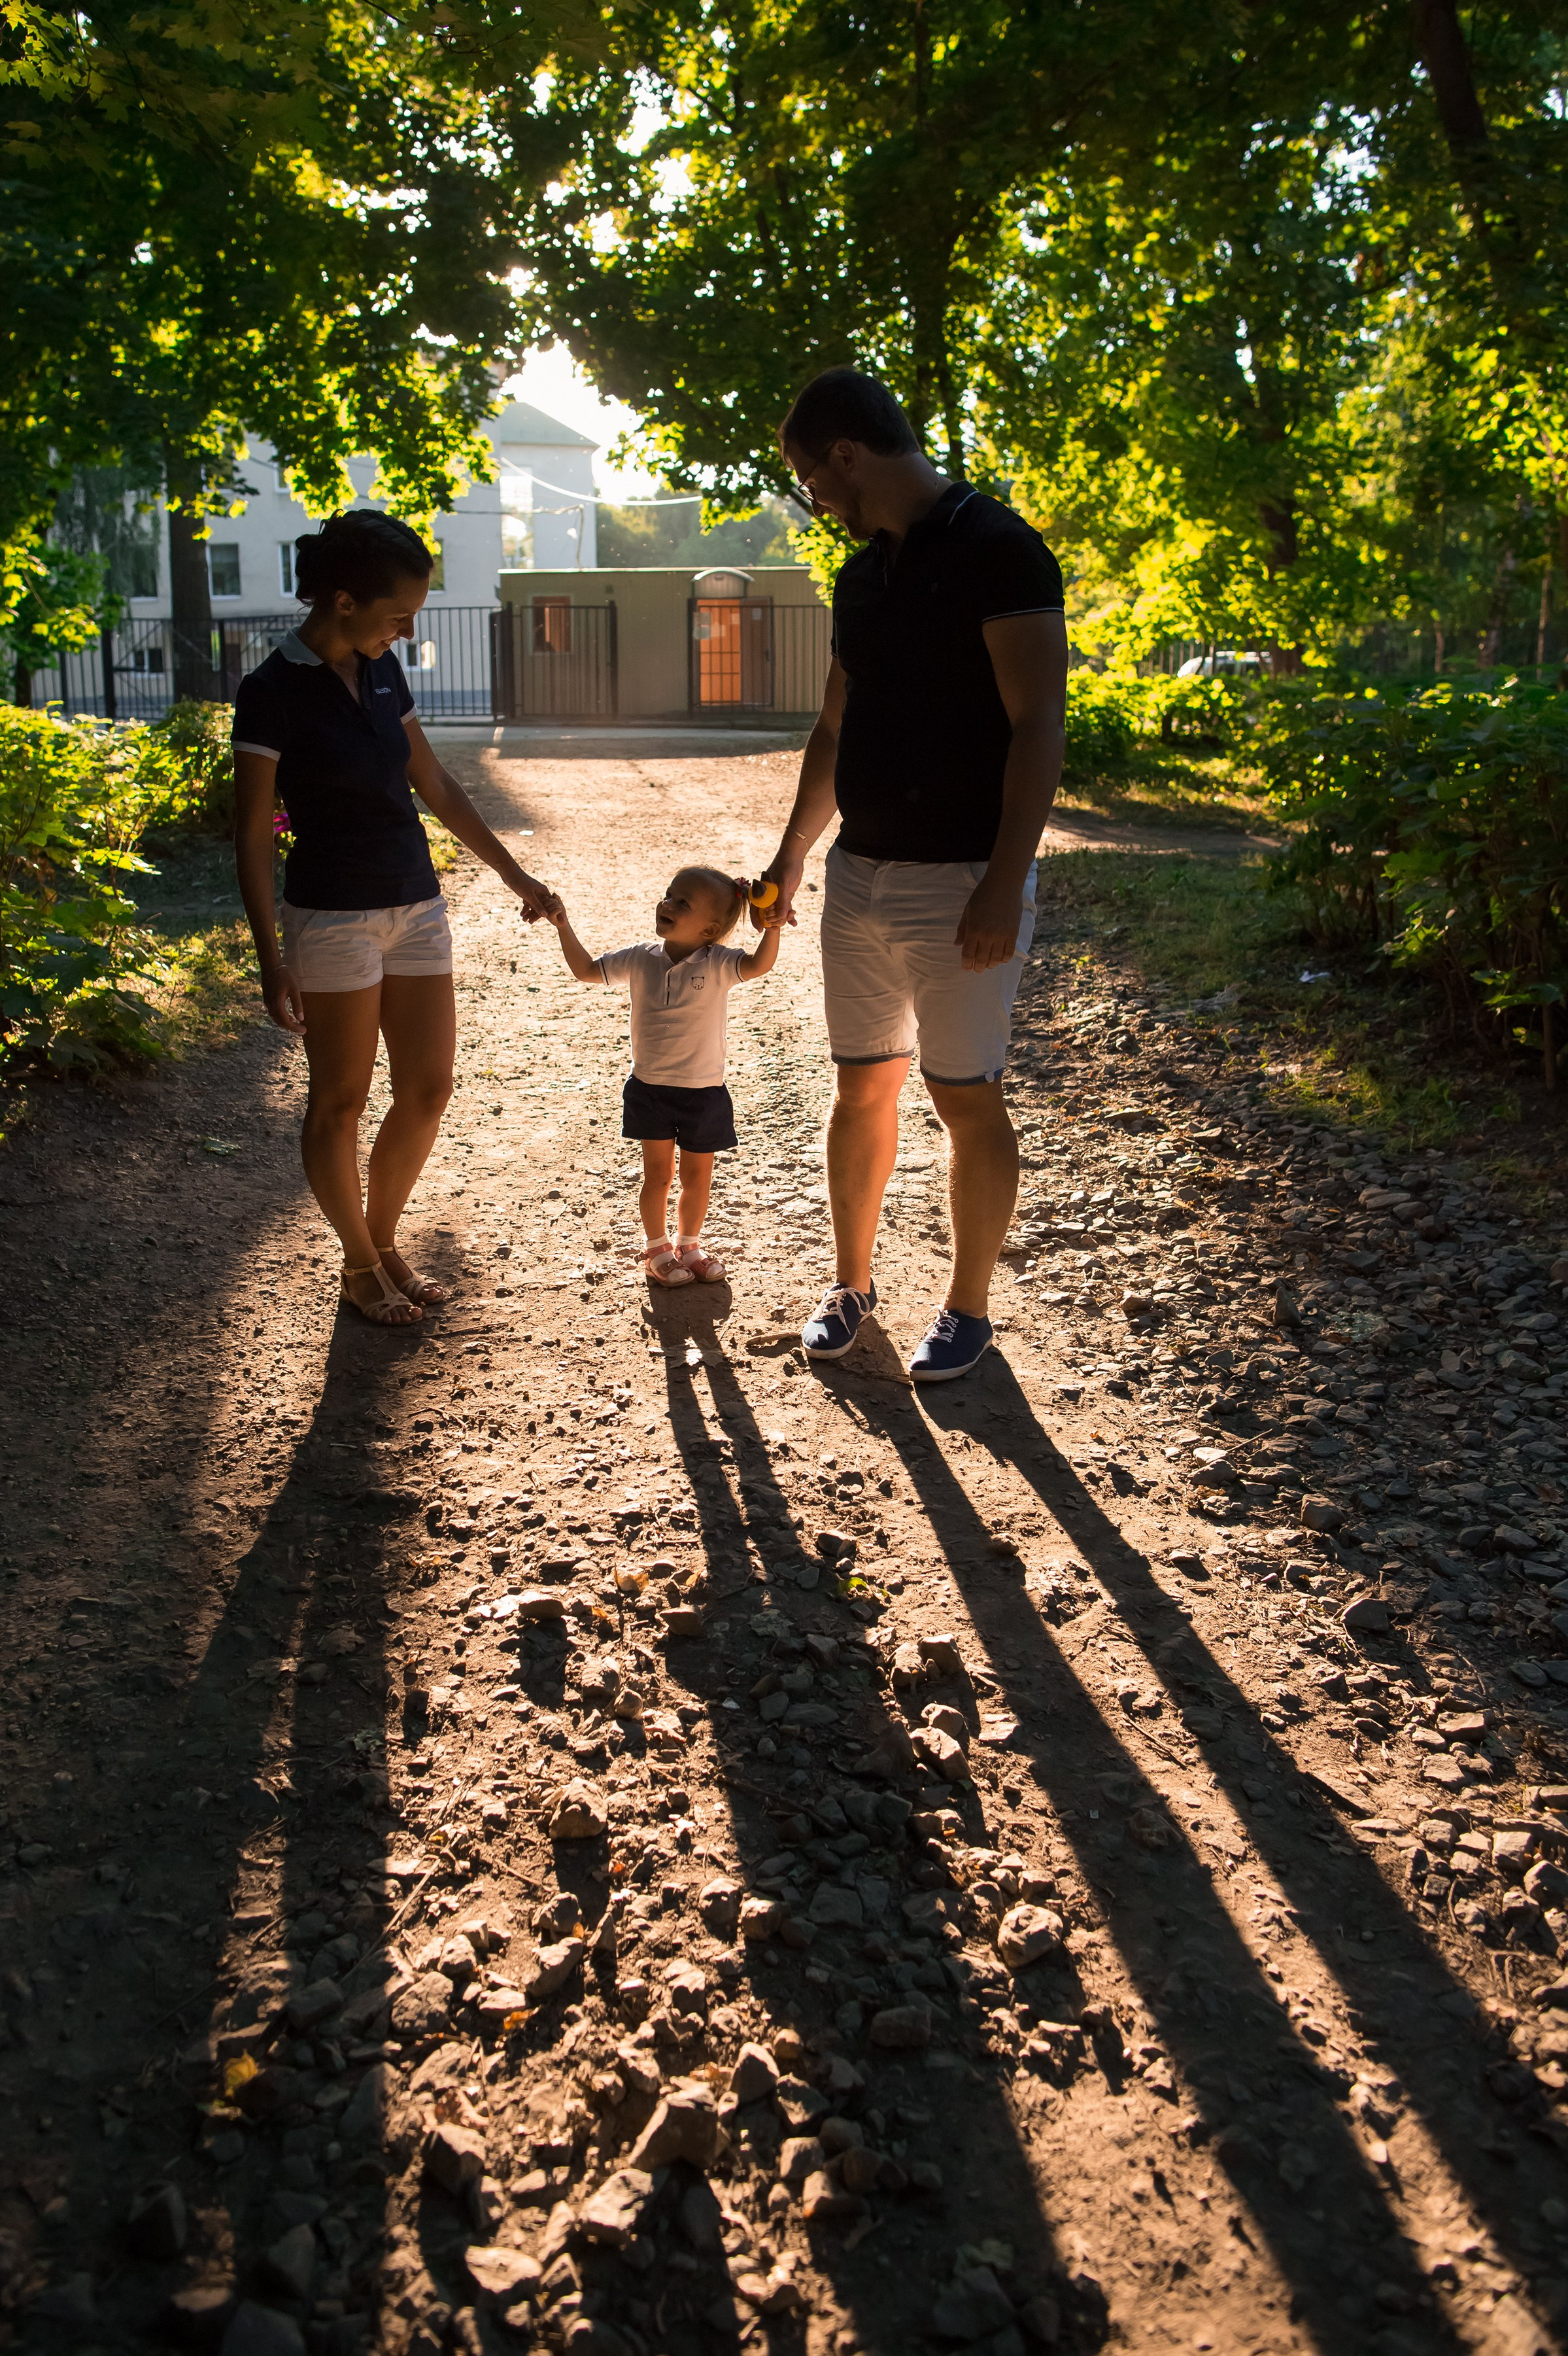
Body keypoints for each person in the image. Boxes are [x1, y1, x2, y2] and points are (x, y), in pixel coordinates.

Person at [755, 367, 1068, 1382]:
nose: (815, 501)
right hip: (859, 876)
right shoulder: (861, 576)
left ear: (845, 455)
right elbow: (835, 725)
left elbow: (1036, 727)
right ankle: (852, 1285)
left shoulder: (999, 550)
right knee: (860, 1087)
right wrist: (793, 854)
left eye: (810, 479)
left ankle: (967, 1307)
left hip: (963, 876)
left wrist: (1001, 883)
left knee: (962, 1095)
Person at [232, 510, 554, 1326]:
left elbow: (436, 785)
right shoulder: (269, 691)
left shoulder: (382, 673)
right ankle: (359, 1260)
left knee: (428, 1087)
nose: (406, 631)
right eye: (398, 614)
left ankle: (377, 1245)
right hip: (331, 918)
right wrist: (272, 958)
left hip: (416, 904)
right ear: (343, 599)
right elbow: (251, 836)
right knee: (339, 1100)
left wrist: (514, 873)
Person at [544, 865, 780, 1286]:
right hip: (649, 1088)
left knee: (697, 1176)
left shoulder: (720, 963)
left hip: (703, 1090)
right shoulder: (639, 958)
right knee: (659, 1174)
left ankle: (689, 1245)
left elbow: (760, 964)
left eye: (681, 902)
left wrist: (773, 928)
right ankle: (657, 1248)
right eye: (669, 895)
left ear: (709, 930)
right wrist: (564, 926)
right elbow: (586, 970)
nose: (666, 904)